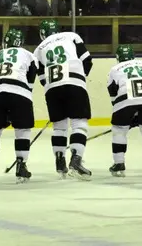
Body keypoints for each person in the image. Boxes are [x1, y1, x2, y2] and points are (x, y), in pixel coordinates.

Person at [34, 19, 93, 180]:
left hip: (52, 87)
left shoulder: (38, 49)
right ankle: (76, 160)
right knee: (79, 123)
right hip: (74, 81)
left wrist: (53, 88)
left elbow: (41, 77)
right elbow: (87, 60)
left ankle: (60, 162)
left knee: (59, 127)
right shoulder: (71, 36)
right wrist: (81, 77)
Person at [0, 28, 37, 183]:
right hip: (20, 91)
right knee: (22, 130)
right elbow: (30, 82)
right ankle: (21, 165)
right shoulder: (29, 55)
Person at [107, 44, 142, 177]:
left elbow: (114, 97)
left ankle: (119, 164)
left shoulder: (114, 69)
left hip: (126, 99)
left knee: (119, 131)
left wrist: (127, 118)